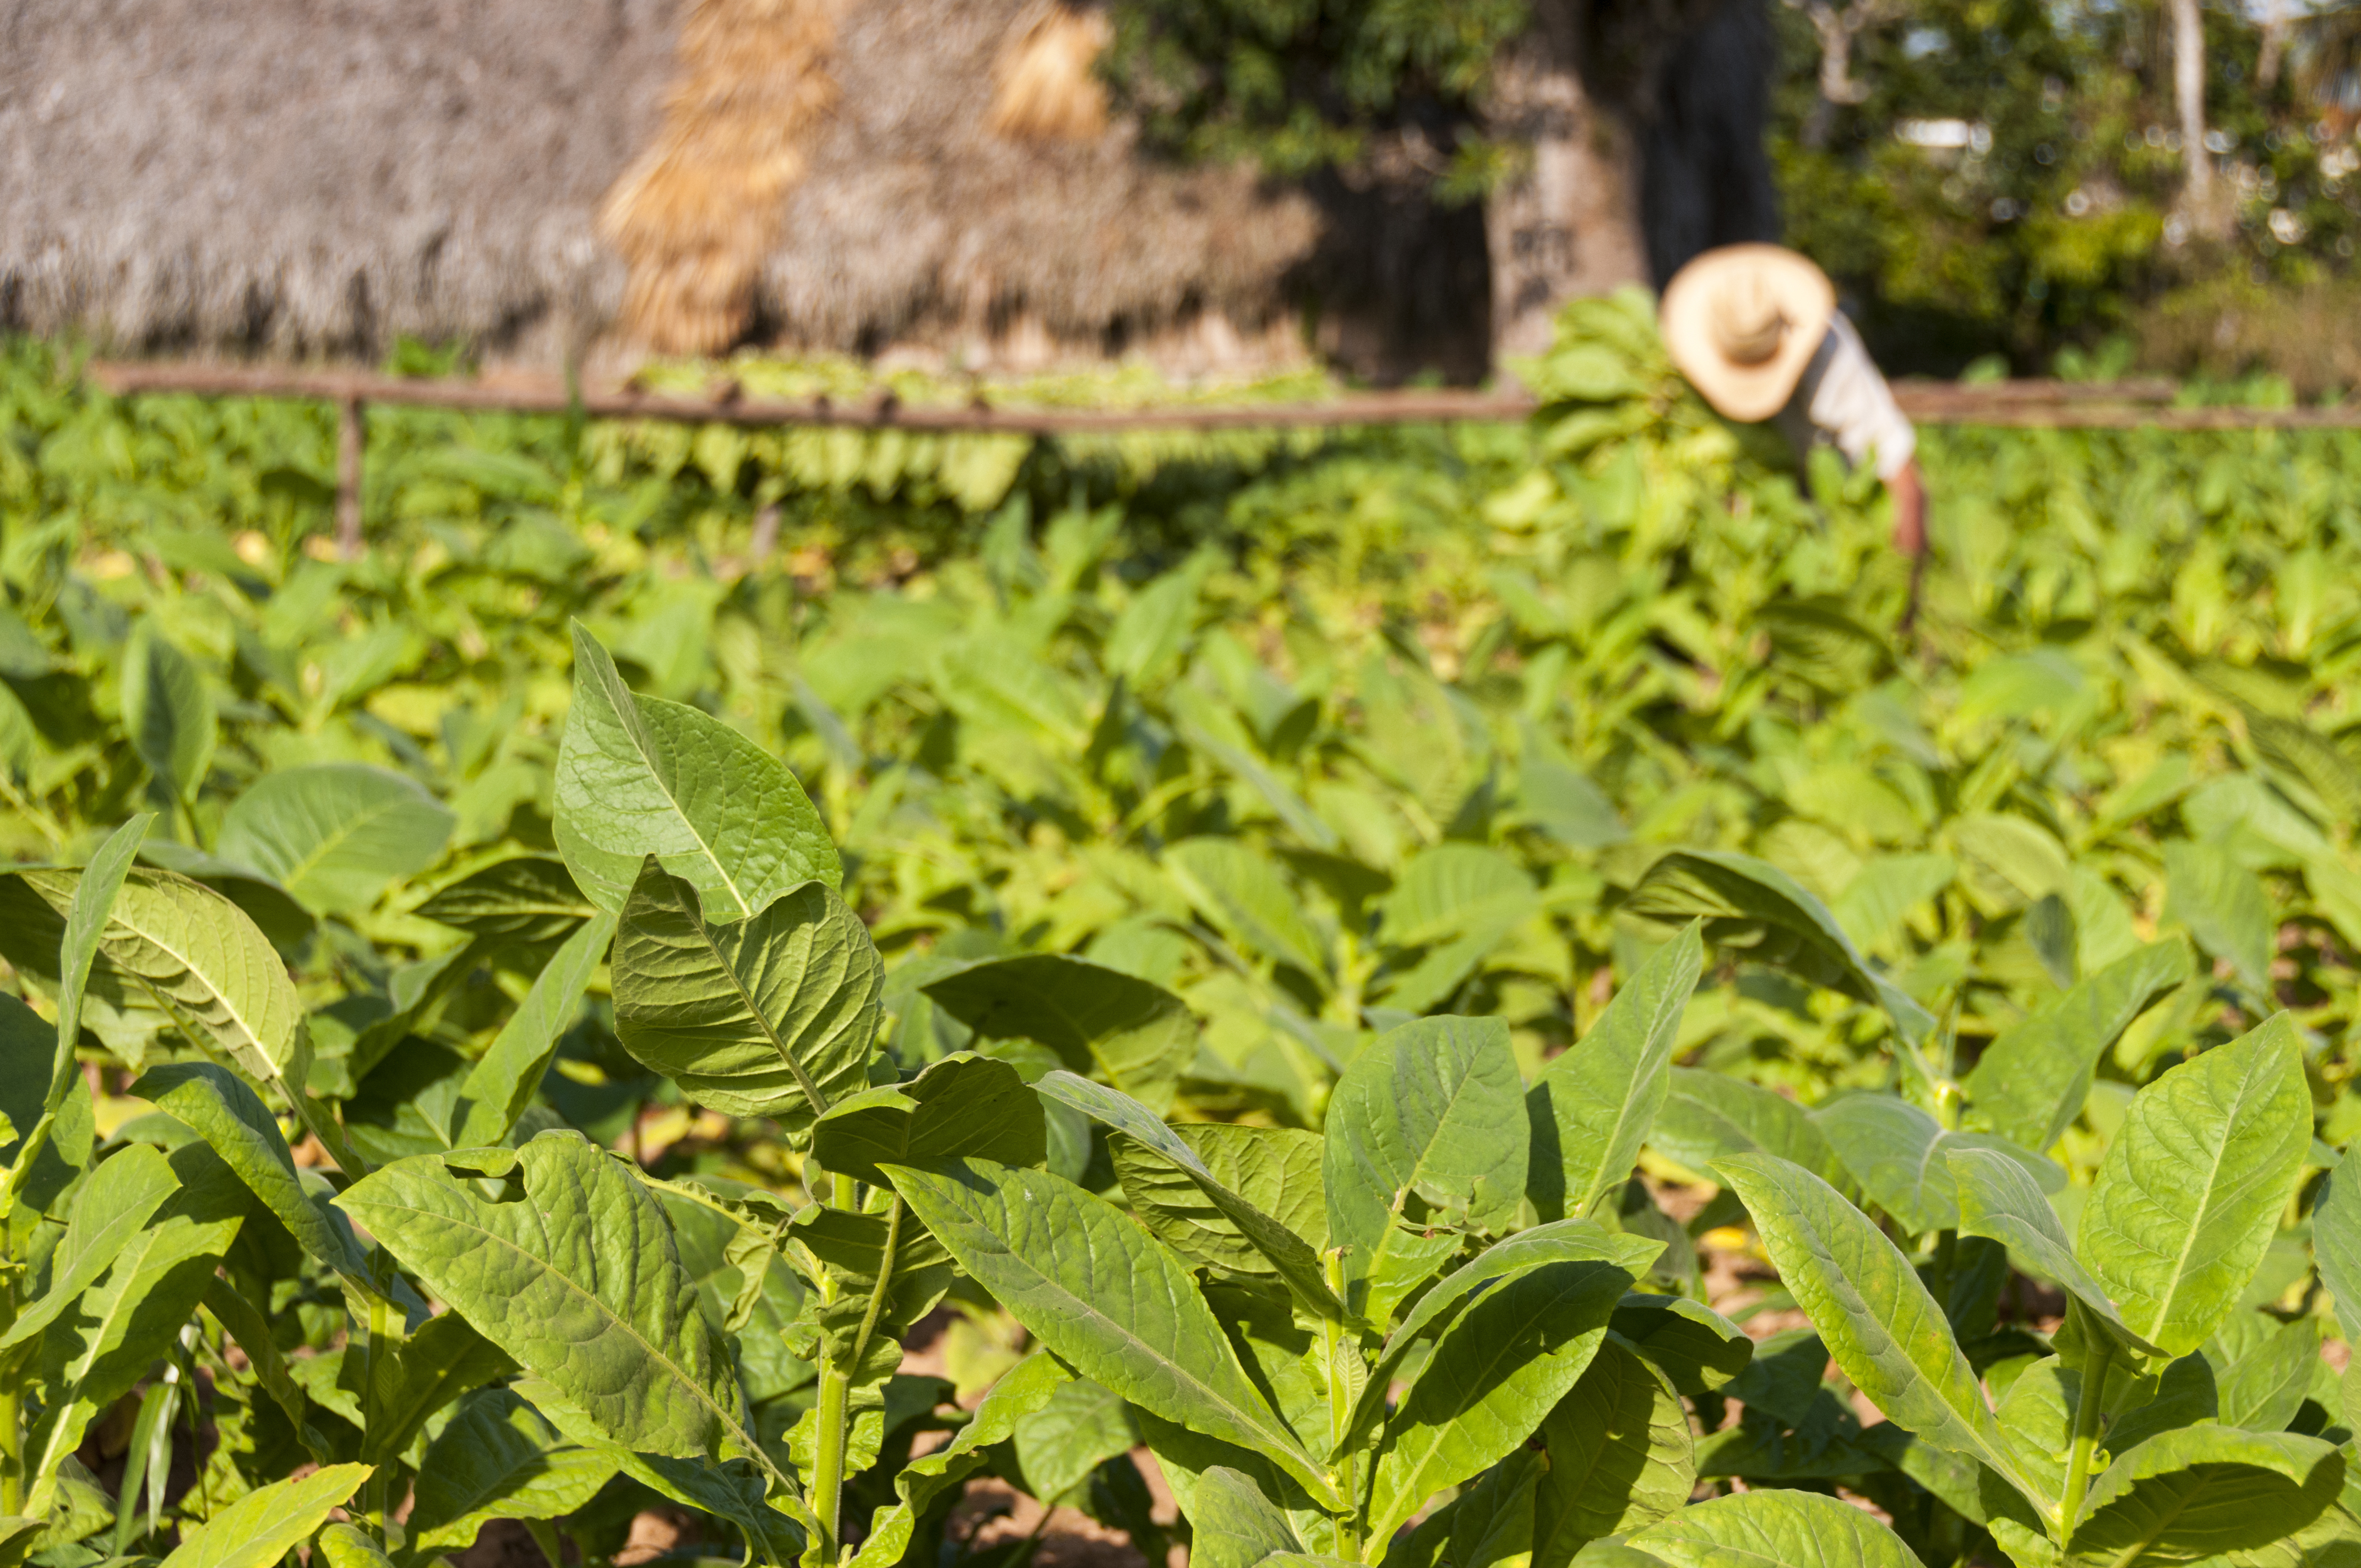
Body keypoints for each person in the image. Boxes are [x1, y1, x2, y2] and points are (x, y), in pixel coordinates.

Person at [1659, 244, 1927, 564]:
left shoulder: (1827, 355)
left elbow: (1901, 473)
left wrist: (1902, 586)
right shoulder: (1685, 359)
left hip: (1825, 515)